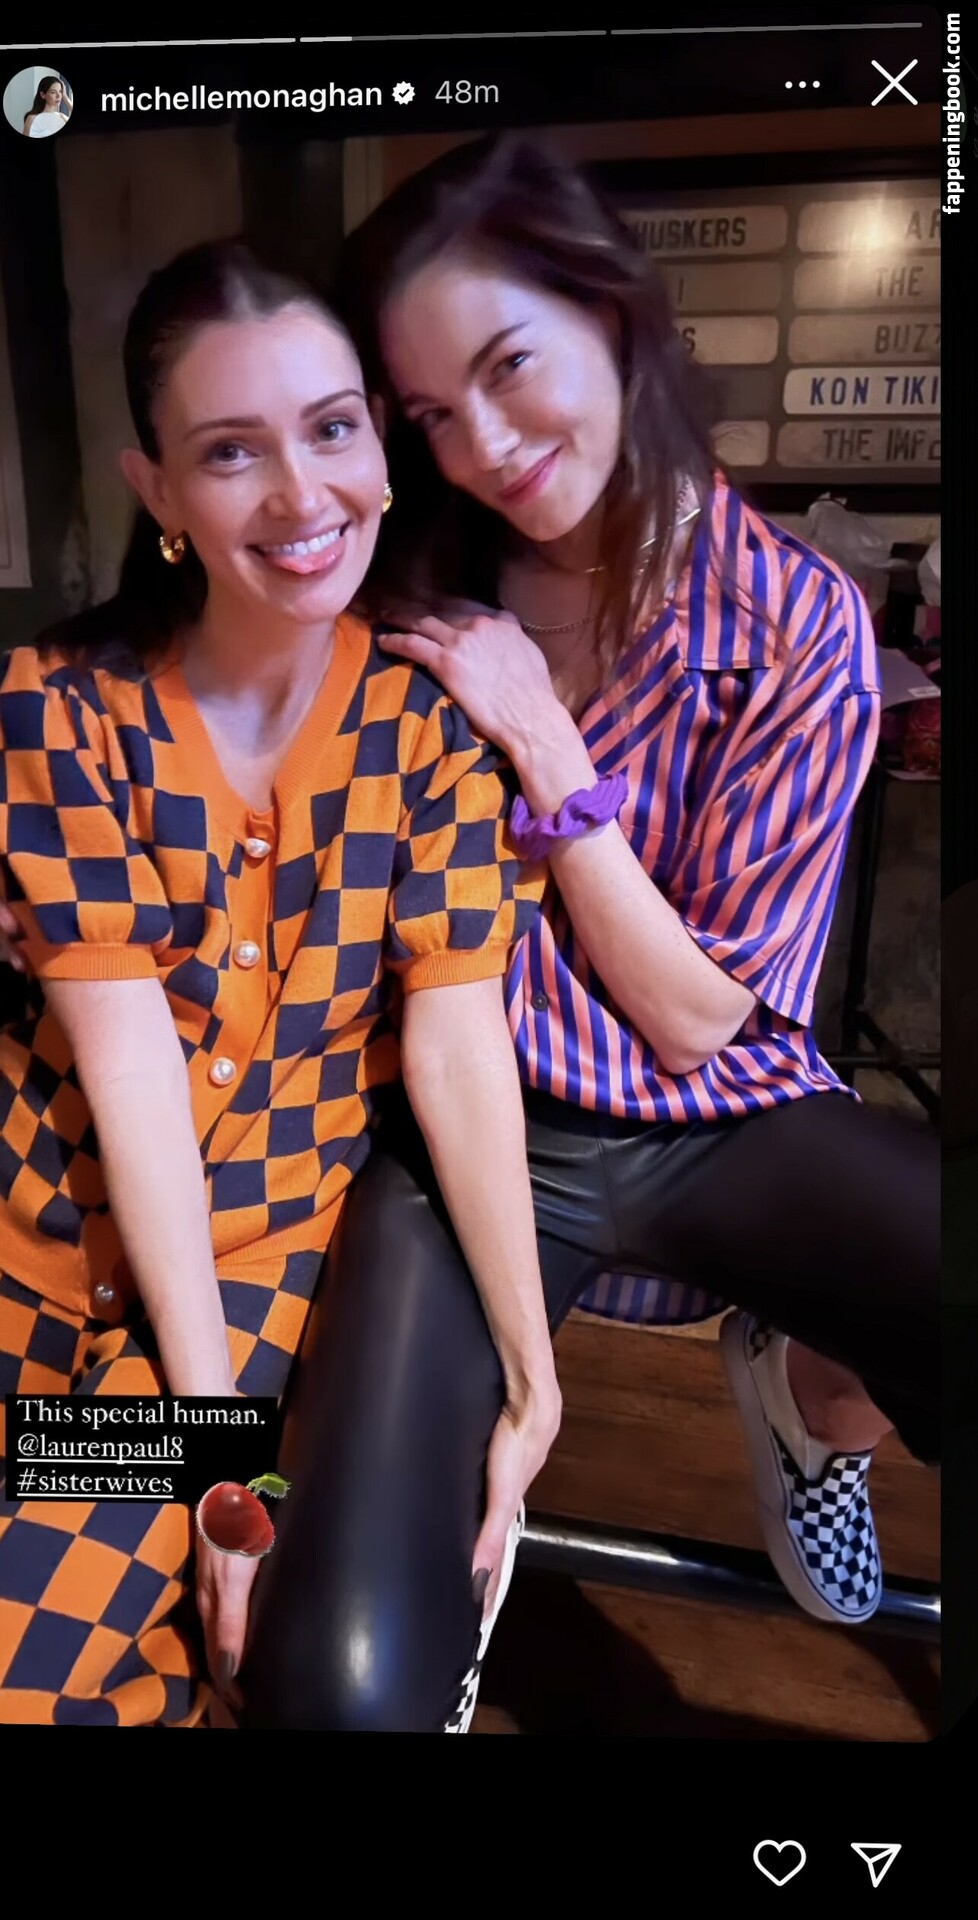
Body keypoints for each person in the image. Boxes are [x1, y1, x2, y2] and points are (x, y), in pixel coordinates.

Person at [329, 132, 939, 1635]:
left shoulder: (792, 618)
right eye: (428, 414)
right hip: (464, 1118)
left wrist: (542, 737)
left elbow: (697, 1021)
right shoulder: (391, 602)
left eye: (507, 366)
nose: (479, 446)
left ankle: (814, 1404)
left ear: (610, 311)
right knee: (344, 1648)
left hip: (716, 1113)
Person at [0, 238, 561, 1731]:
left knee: (27, 1653)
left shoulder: (428, 727)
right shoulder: (59, 707)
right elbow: (127, 1063)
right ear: (159, 490)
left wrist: (532, 1368)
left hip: (231, 1288)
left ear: (379, 441)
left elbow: (458, 1049)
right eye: (231, 452)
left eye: (331, 428)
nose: (303, 496)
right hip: (31, 1247)